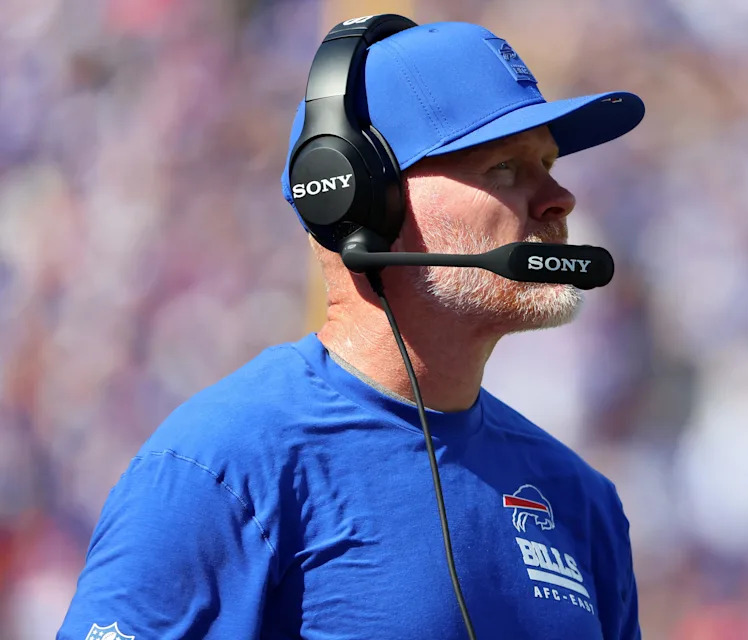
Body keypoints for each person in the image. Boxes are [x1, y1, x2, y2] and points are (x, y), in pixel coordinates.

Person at [58, 17, 645, 640]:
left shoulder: (583, 503)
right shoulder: (222, 467)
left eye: (550, 162)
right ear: (361, 200)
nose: (559, 198)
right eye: (504, 166)